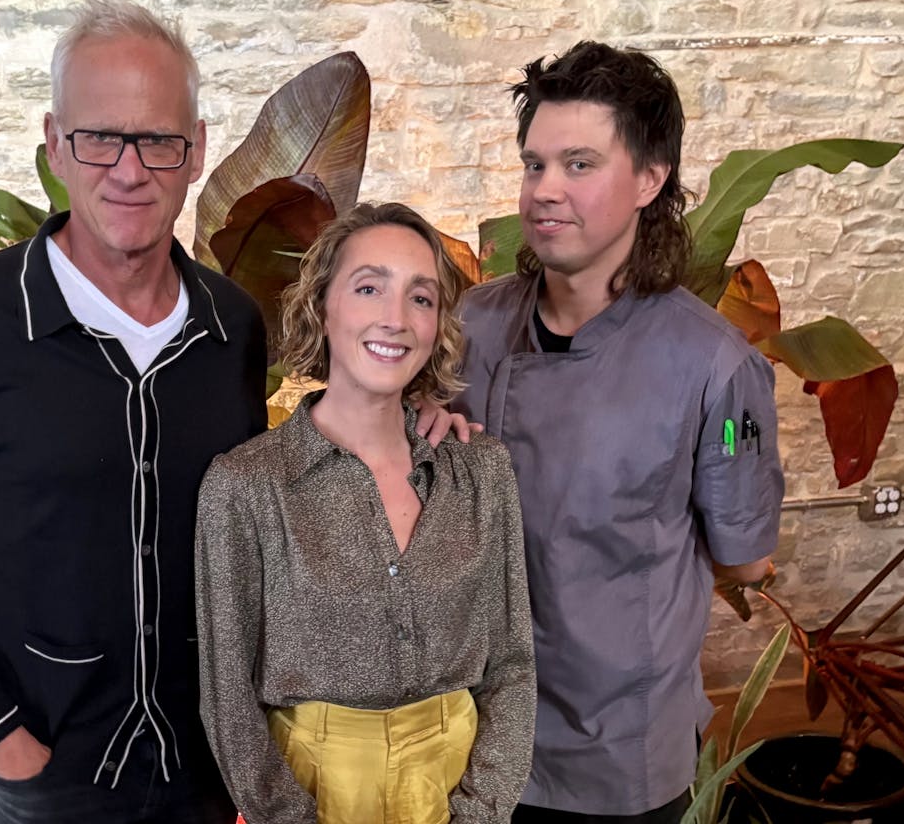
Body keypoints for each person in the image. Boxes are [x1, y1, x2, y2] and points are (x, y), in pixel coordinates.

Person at [0, 0, 267, 823]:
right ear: (55, 144)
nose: (129, 172)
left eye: (158, 141)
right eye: (99, 138)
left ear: (195, 152)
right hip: (49, 774)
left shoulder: (232, 327)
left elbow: (250, 535)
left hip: (205, 769)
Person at [453, 42, 785, 823]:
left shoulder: (713, 366)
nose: (544, 192)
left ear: (649, 177)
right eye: (535, 165)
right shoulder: (470, 325)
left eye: (579, 164)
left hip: (614, 753)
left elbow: (747, 557)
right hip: (465, 729)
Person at [195, 202, 537, 824]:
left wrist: (481, 811)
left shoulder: (480, 471)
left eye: (421, 298)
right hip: (314, 792)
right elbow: (227, 699)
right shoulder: (246, 487)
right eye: (369, 287)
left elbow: (511, 665)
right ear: (323, 307)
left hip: (455, 788)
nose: (395, 319)